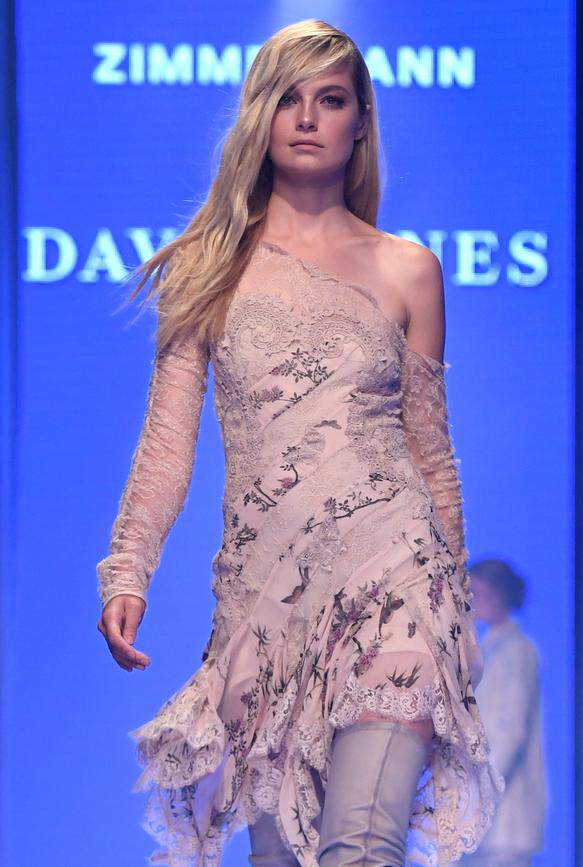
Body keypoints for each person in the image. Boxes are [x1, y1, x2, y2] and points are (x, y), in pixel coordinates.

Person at [96, 18, 503, 867]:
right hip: (269, 606)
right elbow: (168, 438)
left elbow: (432, 453)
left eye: (331, 99)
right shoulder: (208, 268)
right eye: (289, 98)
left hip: (397, 581)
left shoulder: (409, 269)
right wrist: (128, 568)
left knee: (362, 845)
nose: (309, 117)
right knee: (280, 857)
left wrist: (456, 616)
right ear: (261, 117)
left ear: (361, 121)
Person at [460, 560, 546, 867]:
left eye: (478, 592)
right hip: (479, 808)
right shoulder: (487, 650)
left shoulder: (518, 650)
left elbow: (511, 732)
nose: (472, 600)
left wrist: (482, 788)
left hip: (504, 812)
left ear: (498, 595)